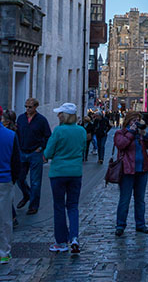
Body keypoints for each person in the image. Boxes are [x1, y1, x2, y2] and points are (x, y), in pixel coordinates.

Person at [44, 102, 86, 254]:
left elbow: (48, 153)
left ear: (65, 115)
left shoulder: (58, 131)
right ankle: (74, 237)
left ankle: (61, 242)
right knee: (73, 206)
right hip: (75, 172)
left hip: (59, 172)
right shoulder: (81, 131)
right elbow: (83, 149)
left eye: (60, 113)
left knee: (59, 206)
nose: (58, 115)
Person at [113, 112, 148, 236]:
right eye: (134, 120)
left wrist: (145, 135)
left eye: (138, 120)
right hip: (126, 170)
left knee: (140, 200)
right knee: (125, 199)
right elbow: (121, 144)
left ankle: (140, 224)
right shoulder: (120, 133)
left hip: (142, 170)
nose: (136, 123)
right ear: (128, 121)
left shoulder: (140, 134)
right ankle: (120, 225)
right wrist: (131, 133)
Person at [16, 97, 51, 214]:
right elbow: (17, 133)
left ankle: (34, 206)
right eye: (26, 106)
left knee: (35, 181)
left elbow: (48, 136)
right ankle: (27, 195)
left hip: (35, 153)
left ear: (35, 107)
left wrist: (41, 148)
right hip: (22, 151)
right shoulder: (21, 118)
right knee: (19, 178)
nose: (27, 109)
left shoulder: (41, 120)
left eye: (30, 107)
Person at [0, 106, 21, 265]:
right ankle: (4, 252)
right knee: (5, 218)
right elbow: (16, 162)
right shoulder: (10, 135)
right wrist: (12, 179)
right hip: (5, 180)